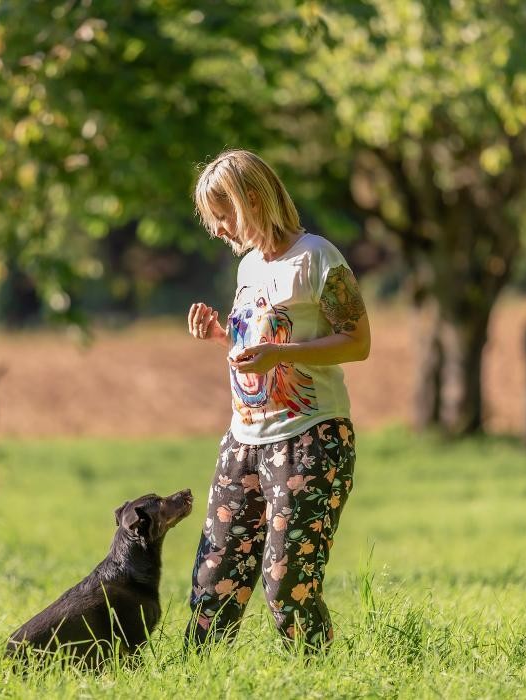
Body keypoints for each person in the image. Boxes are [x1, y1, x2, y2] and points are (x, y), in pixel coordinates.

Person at [184, 149, 371, 652]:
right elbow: (261, 352)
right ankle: (192, 685)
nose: (219, 230)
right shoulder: (248, 267)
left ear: (251, 200)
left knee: (288, 587)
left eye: (222, 217)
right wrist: (223, 337)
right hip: (243, 441)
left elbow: (358, 341)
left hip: (311, 440)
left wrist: (279, 353)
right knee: (211, 584)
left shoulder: (316, 258)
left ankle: (322, 681)